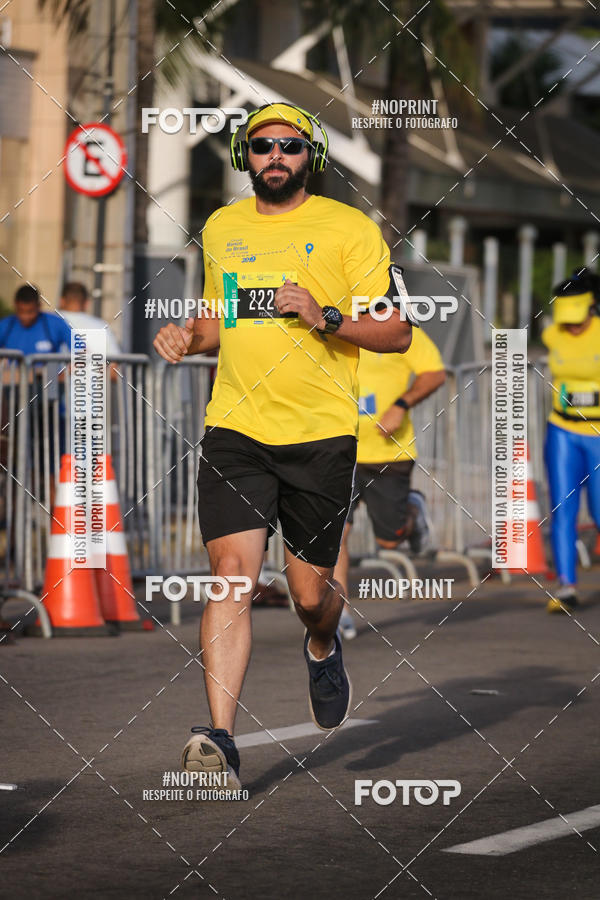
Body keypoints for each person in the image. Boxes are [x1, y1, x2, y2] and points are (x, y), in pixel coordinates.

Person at [153, 102, 412, 790]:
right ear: (245, 156)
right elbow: (218, 319)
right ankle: (219, 739)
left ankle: (322, 643)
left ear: (310, 157)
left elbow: (397, 332)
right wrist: (188, 335)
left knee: (309, 594)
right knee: (232, 575)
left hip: (320, 436)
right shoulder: (223, 226)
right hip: (236, 427)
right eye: (262, 145)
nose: (275, 155)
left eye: (289, 146)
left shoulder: (349, 228)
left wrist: (323, 315)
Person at [334, 329, 446, 638]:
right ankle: (340, 611)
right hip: (340, 449)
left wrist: (401, 404)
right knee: (337, 533)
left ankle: (413, 509)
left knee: (389, 541)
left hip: (389, 453)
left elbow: (434, 374)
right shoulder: (332, 322)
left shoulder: (397, 329)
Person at [542, 268, 600, 614]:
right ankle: (566, 587)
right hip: (562, 431)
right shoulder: (552, 335)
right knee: (563, 510)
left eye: (578, 319)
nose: (572, 326)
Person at [0, 284, 72, 354]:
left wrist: (75, 364)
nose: (25, 316)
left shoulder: (55, 324)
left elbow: (80, 349)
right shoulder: (4, 326)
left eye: (30, 311)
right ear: (15, 305)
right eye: (21, 311)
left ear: (39, 306)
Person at [59, 281, 121, 356]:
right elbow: (114, 362)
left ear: (61, 301)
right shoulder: (101, 325)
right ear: (87, 303)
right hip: (95, 367)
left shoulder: (51, 322)